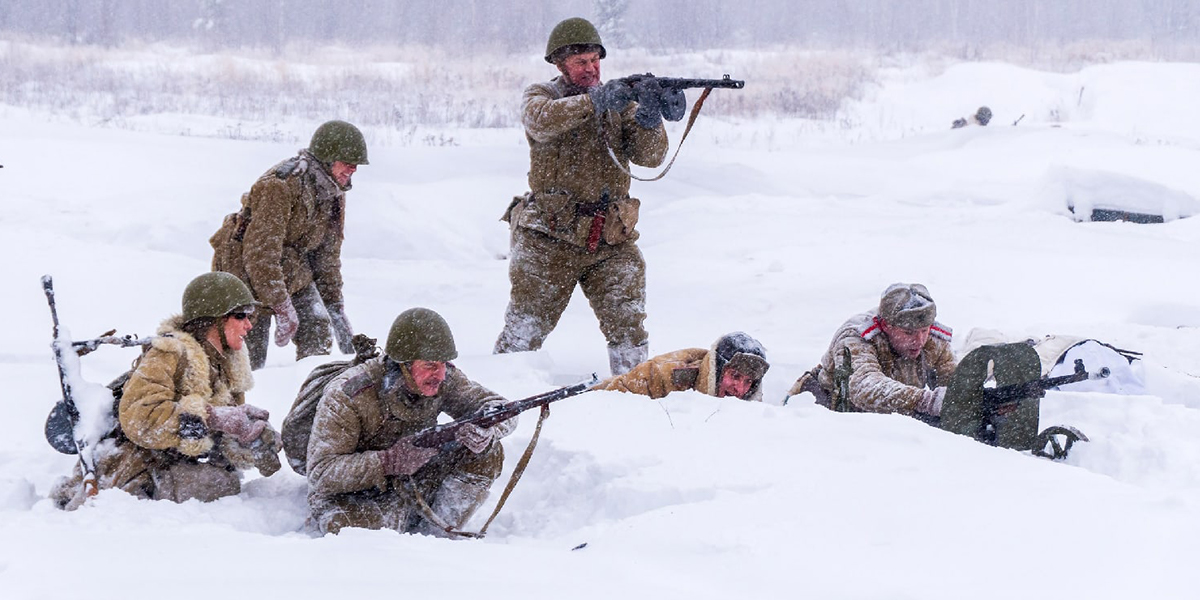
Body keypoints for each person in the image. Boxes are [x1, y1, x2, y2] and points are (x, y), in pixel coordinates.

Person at [495, 17, 680, 376]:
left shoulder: (618, 102)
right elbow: (541, 121)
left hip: (610, 237)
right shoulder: (542, 95)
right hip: (549, 237)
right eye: (581, 62)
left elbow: (650, 157)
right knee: (524, 331)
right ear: (560, 64)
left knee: (629, 327)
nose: (591, 68)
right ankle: (500, 398)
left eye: (595, 60)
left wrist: (648, 115)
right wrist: (595, 101)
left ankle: (634, 393)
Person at [51, 272, 281, 510]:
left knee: (223, 484)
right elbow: (140, 418)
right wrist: (213, 417)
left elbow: (219, 434)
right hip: (135, 468)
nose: (249, 325)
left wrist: (249, 437)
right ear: (214, 318)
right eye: (240, 316)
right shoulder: (168, 352)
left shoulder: (226, 366)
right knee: (215, 486)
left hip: (172, 465)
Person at [306, 308, 517, 537]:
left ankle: (441, 537)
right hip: (360, 493)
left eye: (444, 363)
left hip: (415, 479)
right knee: (358, 539)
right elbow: (321, 473)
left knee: (488, 451)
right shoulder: (349, 395)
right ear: (403, 364)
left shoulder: (444, 378)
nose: (440, 374)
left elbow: (501, 408)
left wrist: (488, 429)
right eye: (429, 365)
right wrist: (387, 462)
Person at [210, 119, 368, 370]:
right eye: (348, 163)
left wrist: (335, 308)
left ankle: (307, 390)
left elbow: (327, 256)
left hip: (293, 270)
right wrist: (281, 304)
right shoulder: (280, 185)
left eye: (356, 164)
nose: (354, 170)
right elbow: (260, 254)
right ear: (327, 159)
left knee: (318, 327)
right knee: (247, 352)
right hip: (245, 272)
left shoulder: (333, 191)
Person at [786, 283, 957, 420]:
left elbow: (954, 384)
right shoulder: (856, 337)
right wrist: (927, 400)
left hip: (889, 421)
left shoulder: (933, 340)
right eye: (908, 333)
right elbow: (864, 387)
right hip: (821, 414)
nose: (919, 340)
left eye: (924, 330)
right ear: (885, 326)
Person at [596, 332, 770, 402]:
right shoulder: (665, 375)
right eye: (735, 376)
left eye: (748, 381)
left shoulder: (751, 405)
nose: (739, 388)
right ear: (716, 370)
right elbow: (610, 403)